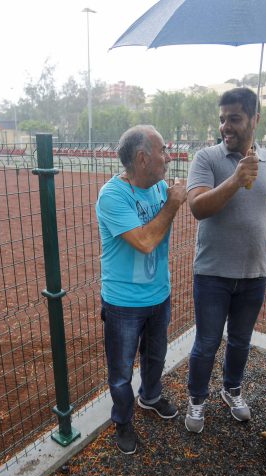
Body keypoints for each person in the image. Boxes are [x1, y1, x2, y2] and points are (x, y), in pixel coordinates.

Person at [184, 87, 266, 433]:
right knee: (207, 342)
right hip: (212, 273)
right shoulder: (206, 159)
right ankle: (197, 400)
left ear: (255, 119)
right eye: (222, 119)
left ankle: (232, 390)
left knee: (241, 340)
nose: (226, 126)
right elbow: (198, 207)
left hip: (254, 275)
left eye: (235, 118)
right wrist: (235, 178)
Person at [96, 125, 187, 454]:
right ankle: (122, 420)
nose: (168, 157)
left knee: (156, 356)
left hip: (158, 296)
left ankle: (150, 396)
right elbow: (146, 242)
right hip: (123, 303)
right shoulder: (112, 196)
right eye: (163, 150)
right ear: (142, 158)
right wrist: (173, 203)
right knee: (120, 371)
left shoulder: (160, 186)